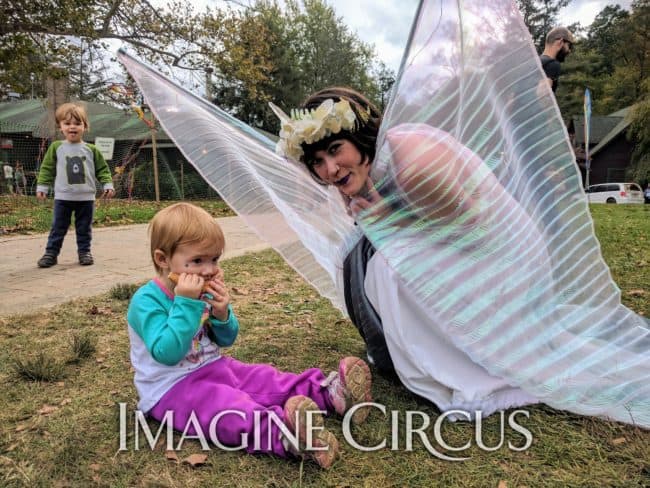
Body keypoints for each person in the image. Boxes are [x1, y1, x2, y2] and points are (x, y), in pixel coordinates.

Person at [271, 87, 539, 419]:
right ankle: (404, 352)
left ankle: (456, 362)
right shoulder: (361, 172)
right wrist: (378, 219)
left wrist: (392, 220)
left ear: (359, 137)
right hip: (469, 250)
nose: (330, 169)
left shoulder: (413, 162)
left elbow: (478, 231)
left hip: (506, 263)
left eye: (335, 149)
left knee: (391, 266)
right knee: (357, 251)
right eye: (318, 162)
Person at [127, 202, 372, 468]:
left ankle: (332, 395)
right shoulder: (146, 301)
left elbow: (226, 339)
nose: (209, 269)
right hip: (171, 389)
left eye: (214, 259)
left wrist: (222, 316)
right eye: (197, 260)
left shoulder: (200, 288)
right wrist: (186, 304)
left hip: (214, 366)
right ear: (163, 259)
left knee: (266, 379)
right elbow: (168, 353)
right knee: (228, 408)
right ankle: (288, 436)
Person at [35, 102, 115, 268]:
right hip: (63, 197)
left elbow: (102, 169)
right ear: (60, 127)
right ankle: (51, 253)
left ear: (85, 126)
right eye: (67, 123)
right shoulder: (56, 147)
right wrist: (42, 186)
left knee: (84, 228)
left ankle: (84, 252)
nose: (72, 127)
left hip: (86, 198)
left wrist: (107, 184)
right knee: (58, 227)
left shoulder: (91, 149)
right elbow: (47, 169)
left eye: (77, 123)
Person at [540, 27, 575, 93]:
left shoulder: (535, 63)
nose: (569, 50)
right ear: (560, 42)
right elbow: (542, 94)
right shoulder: (552, 64)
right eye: (569, 46)